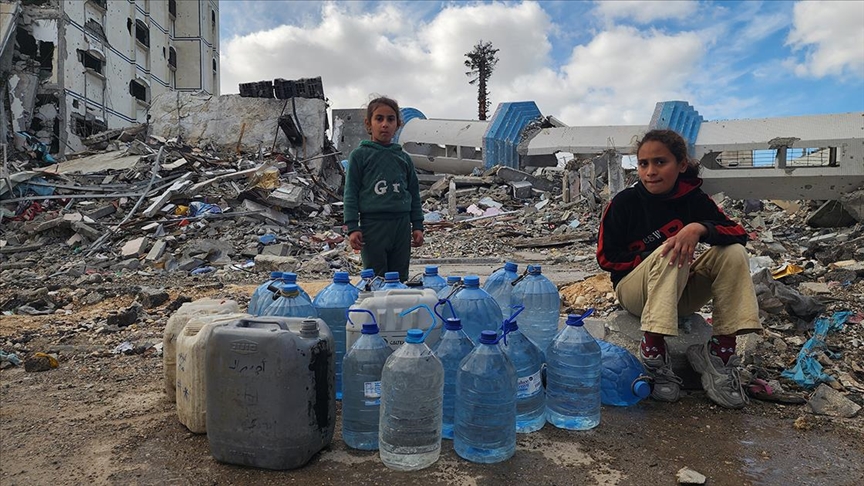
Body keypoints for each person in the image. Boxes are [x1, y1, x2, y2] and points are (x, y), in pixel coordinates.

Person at [596, 129, 761, 409]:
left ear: (681, 165)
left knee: (733, 252)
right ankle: (654, 353)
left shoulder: (693, 199)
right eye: (643, 163)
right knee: (671, 250)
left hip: (678, 293)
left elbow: (738, 233)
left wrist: (698, 228)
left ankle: (720, 354)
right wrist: (654, 257)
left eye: (661, 162)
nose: (650, 171)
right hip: (636, 293)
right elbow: (606, 258)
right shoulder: (625, 203)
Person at [343, 96, 424, 282]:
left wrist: (417, 226)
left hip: (401, 226)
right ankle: (377, 311)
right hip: (373, 226)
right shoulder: (360, 156)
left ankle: (397, 311)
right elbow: (351, 194)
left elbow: (414, 194)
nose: (385, 124)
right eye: (379, 119)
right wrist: (353, 227)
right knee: (375, 279)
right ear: (369, 123)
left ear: (398, 124)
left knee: (399, 278)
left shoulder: (403, 158)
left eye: (390, 119)